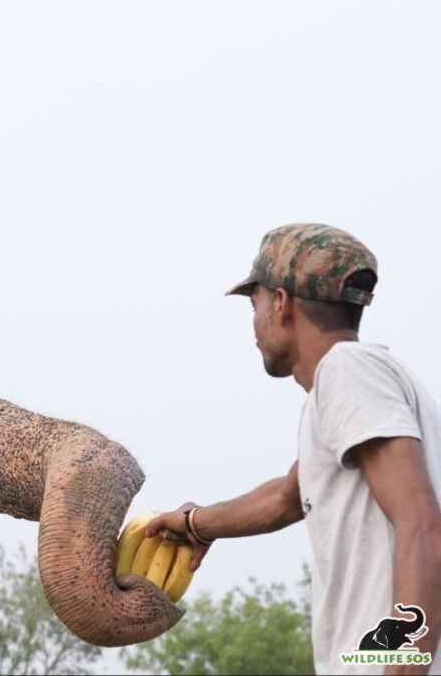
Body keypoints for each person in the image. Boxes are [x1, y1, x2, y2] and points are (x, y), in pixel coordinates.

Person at [148, 223, 441, 674]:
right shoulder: (353, 388)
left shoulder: (348, 371)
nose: (254, 321)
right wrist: (196, 524)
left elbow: (422, 524)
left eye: (254, 302)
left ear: (281, 303)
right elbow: (286, 498)